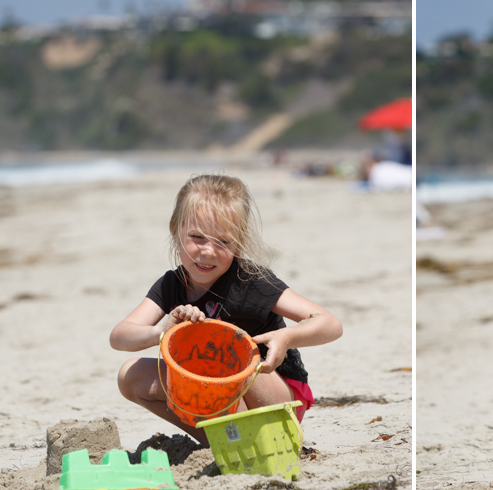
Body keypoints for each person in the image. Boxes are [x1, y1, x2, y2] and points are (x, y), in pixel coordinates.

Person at [110, 174, 343, 445]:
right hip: (214, 394)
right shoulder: (172, 285)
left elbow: (330, 323)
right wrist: (159, 332)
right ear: (175, 230)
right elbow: (120, 336)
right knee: (131, 375)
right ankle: (223, 441)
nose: (208, 251)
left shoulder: (249, 280)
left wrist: (286, 338)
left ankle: (259, 438)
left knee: (224, 361)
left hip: (274, 397)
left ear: (239, 241)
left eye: (223, 242)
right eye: (197, 237)